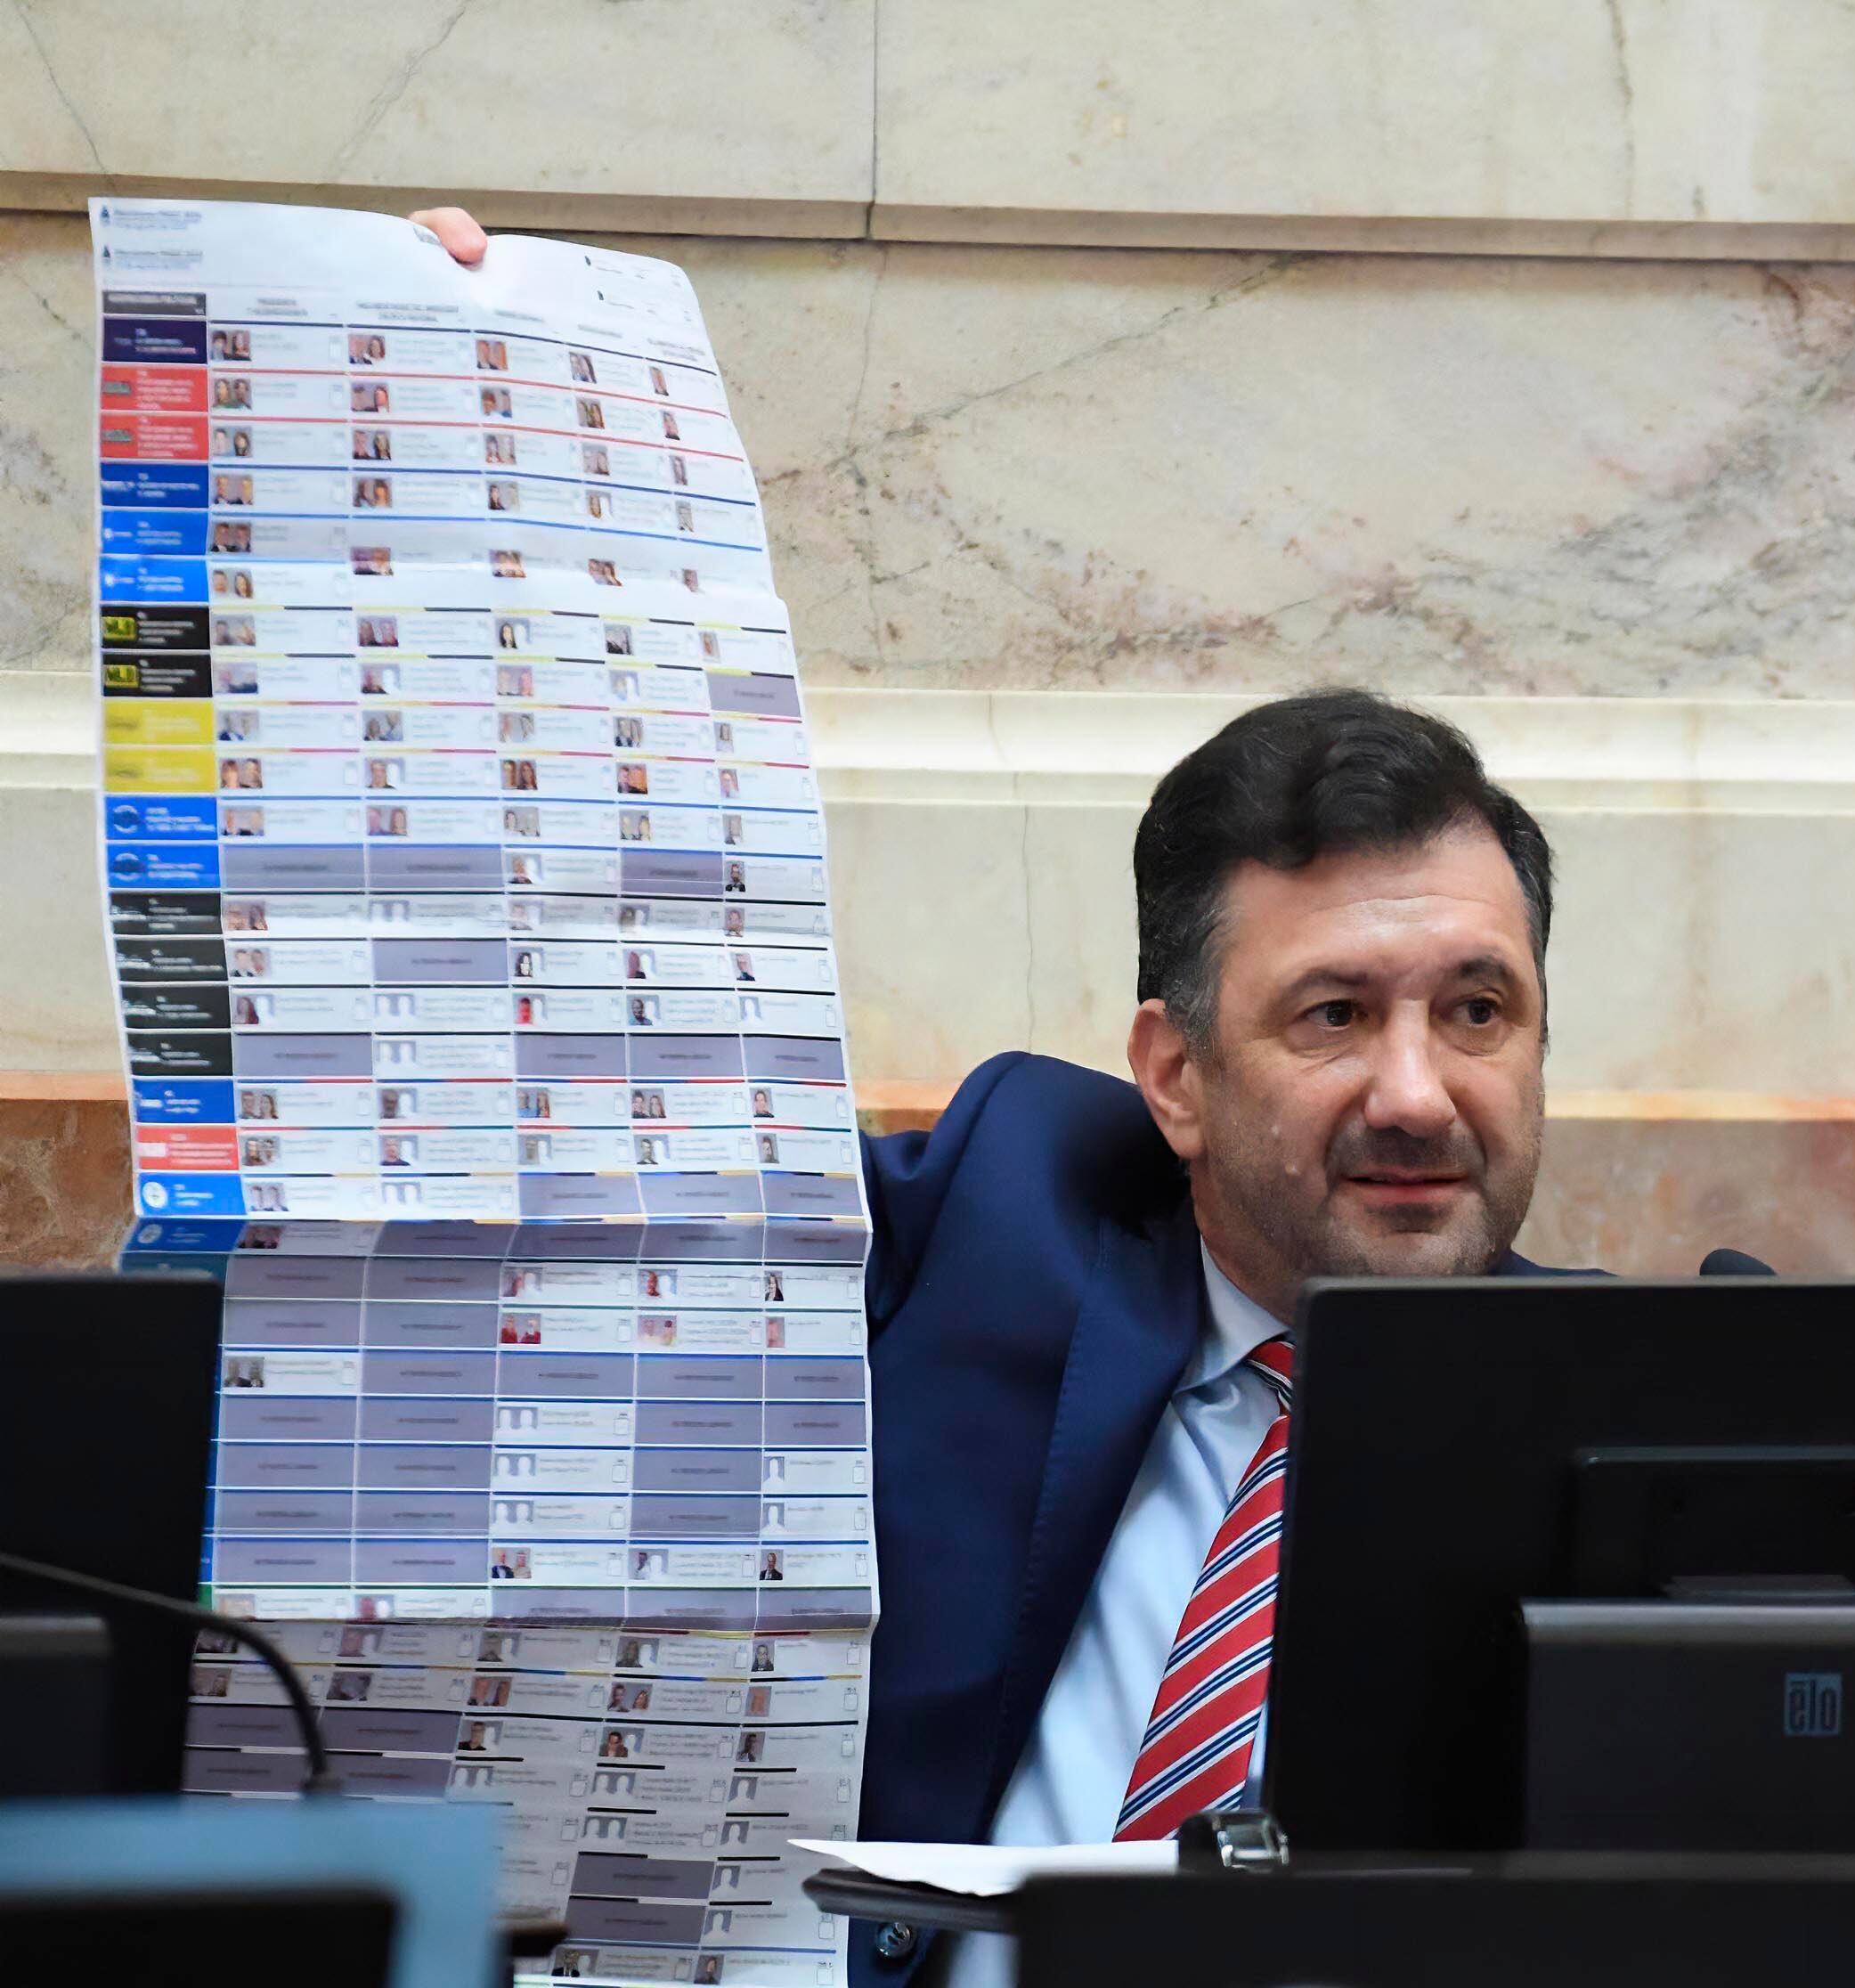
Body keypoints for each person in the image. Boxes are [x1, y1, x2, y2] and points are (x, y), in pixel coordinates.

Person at [408, 208, 1765, 1988]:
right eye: (1335, 1015)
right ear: (1175, 1078)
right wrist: (423, 460)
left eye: (1477, 1011)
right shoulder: (983, 1231)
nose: (1420, 1093)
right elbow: (444, 1216)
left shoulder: (1644, 1440)